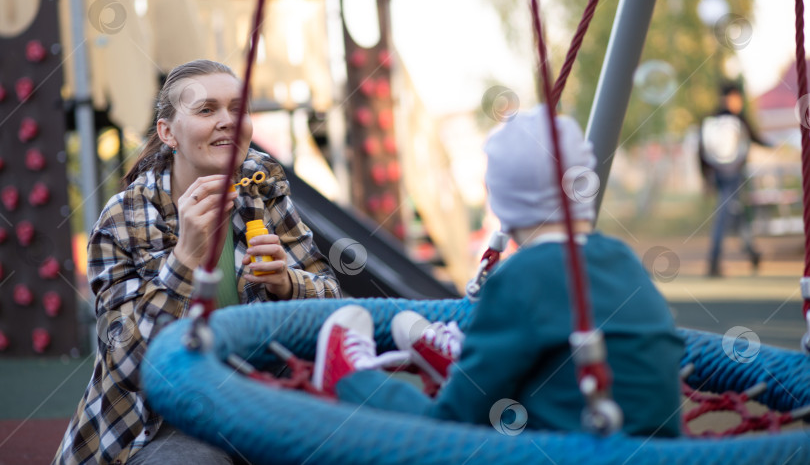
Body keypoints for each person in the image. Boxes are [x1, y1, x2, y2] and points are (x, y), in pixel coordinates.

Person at [311, 106, 684, 437]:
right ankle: (471, 363)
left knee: (441, 422)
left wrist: (357, 385)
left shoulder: (523, 276)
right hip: (655, 446)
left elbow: (458, 418)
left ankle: (347, 377)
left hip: (574, 448)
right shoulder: (622, 257)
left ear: (502, 200)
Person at [54, 59, 341, 465]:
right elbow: (129, 364)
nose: (228, 120)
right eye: (207, 110)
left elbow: (332, 297)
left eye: (237, 108)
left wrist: (287, 283)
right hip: (164, 418)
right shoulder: (123, 220)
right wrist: (184, 259)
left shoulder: (264, 188)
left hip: (261, 397)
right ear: (167, 132)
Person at [698, 82, 769, 277]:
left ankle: (751, 251)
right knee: (725, 216)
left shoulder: (723, 118)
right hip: (727, 177)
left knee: (739, 215)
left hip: (733, 176)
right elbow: (703, 150)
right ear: (729, 98)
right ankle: (714, 260)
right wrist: (705, 178)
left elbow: (754, 138)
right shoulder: (723, 120)